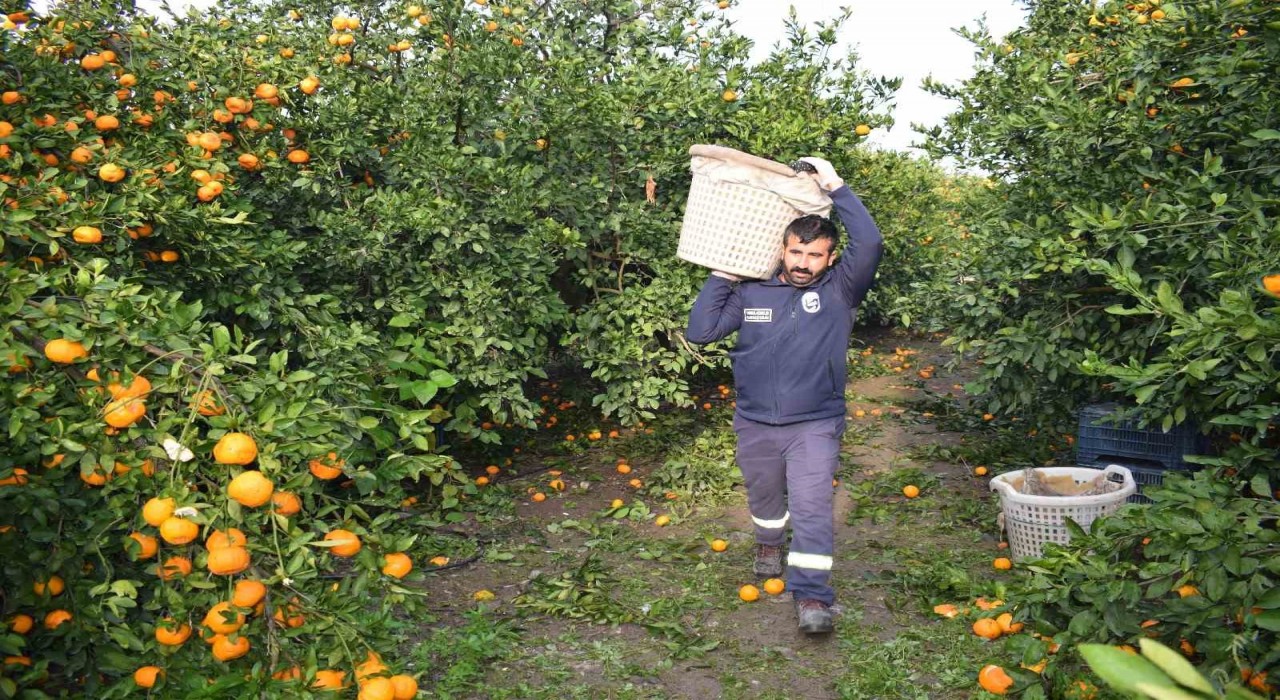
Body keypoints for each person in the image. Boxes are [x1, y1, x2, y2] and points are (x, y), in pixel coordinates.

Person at [684, 155, 883, 634]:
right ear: (782, 248)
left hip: (814, 422)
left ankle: (812, 595)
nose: (802, 263)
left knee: (812, 506)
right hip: (754, 420)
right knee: (765, 495)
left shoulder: (841, 291)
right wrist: (724, 274)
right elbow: (701, 331)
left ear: (830, 258)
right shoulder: (753, 291)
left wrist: (834, 184)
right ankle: (769, 542)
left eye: (814, 256)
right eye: (796, 252)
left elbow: (871, 242)